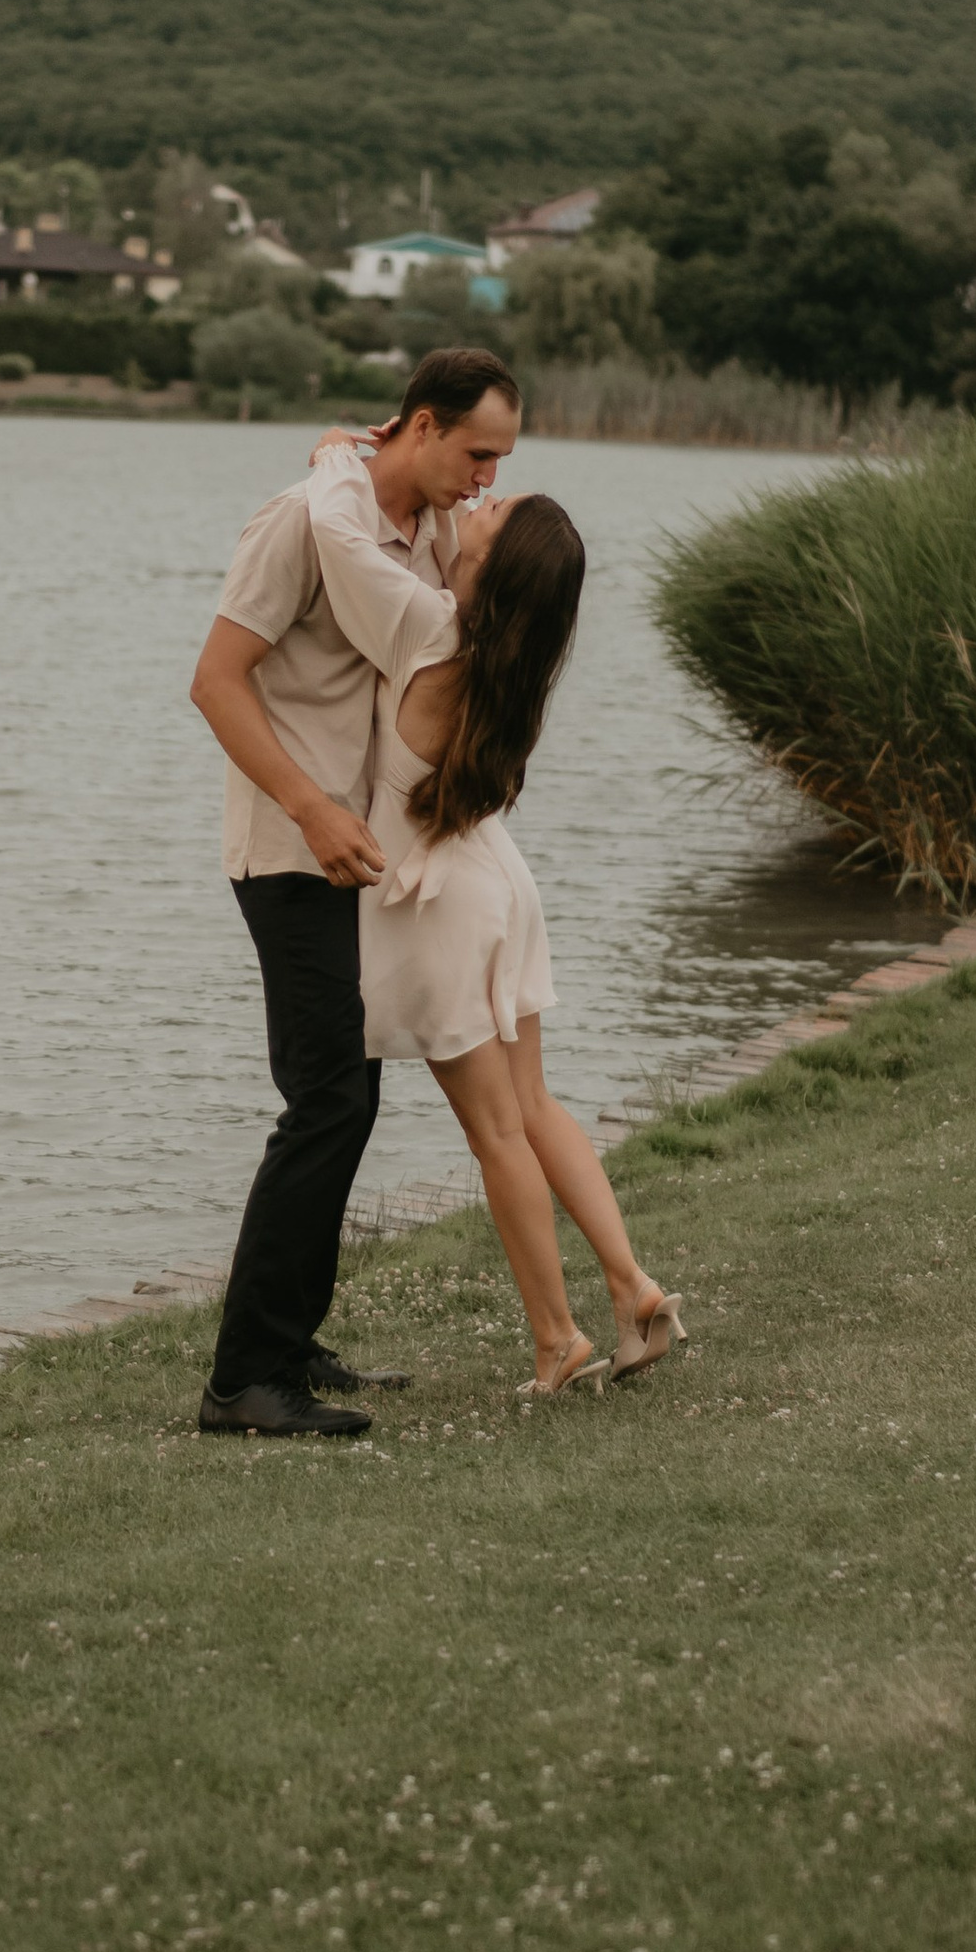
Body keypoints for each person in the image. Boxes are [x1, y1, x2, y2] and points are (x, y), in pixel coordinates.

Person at [186, 344, 523, 1439]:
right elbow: (215, 682)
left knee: (349, 1096)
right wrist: (308, 807)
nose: (485, 479)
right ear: (419, 424)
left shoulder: (425, 525)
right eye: (476, 453)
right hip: (291, 852)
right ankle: (243, 1382)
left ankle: (290, 1342)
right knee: (326, 1100)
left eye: (500, 462)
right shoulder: (297, 521)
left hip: (360, 854)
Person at [305, 447, 682, 1401]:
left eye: (497, 503)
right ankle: (633, 1288)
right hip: (498, 881)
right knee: (535, 1107)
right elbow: (417, 549)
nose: (483, 497)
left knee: (497, 1134)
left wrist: (331, 468)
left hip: (449, 908)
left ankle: (557, 1340)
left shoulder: (433, 630)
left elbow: (343, 546)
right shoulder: (501, 657)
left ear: (497, 563)